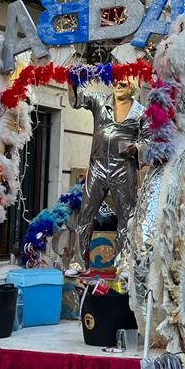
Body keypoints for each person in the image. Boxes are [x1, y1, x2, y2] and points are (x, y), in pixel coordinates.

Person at [71, 76, 149, 265]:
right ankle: (78, 262)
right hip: (97, 167)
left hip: (124, 169)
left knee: (127, 218)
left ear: (133, 86)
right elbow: (76, 100)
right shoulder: (100, 100)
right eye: (116, 81)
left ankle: (123, 265)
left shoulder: (141, 113)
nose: (118, 85)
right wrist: (71, 80)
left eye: (124, 82)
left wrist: (136, 148)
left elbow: (149, 140)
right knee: (85, 215)